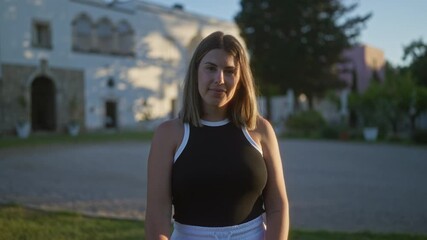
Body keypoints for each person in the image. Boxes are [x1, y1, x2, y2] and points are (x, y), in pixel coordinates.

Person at [145, 31, 289, 240]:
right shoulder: (169, 134)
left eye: (230, 71)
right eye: (211, 68)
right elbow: (157, 213)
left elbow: (278, 206)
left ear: (240, 79)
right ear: (196, 72)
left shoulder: (260, 129)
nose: (219, 79)